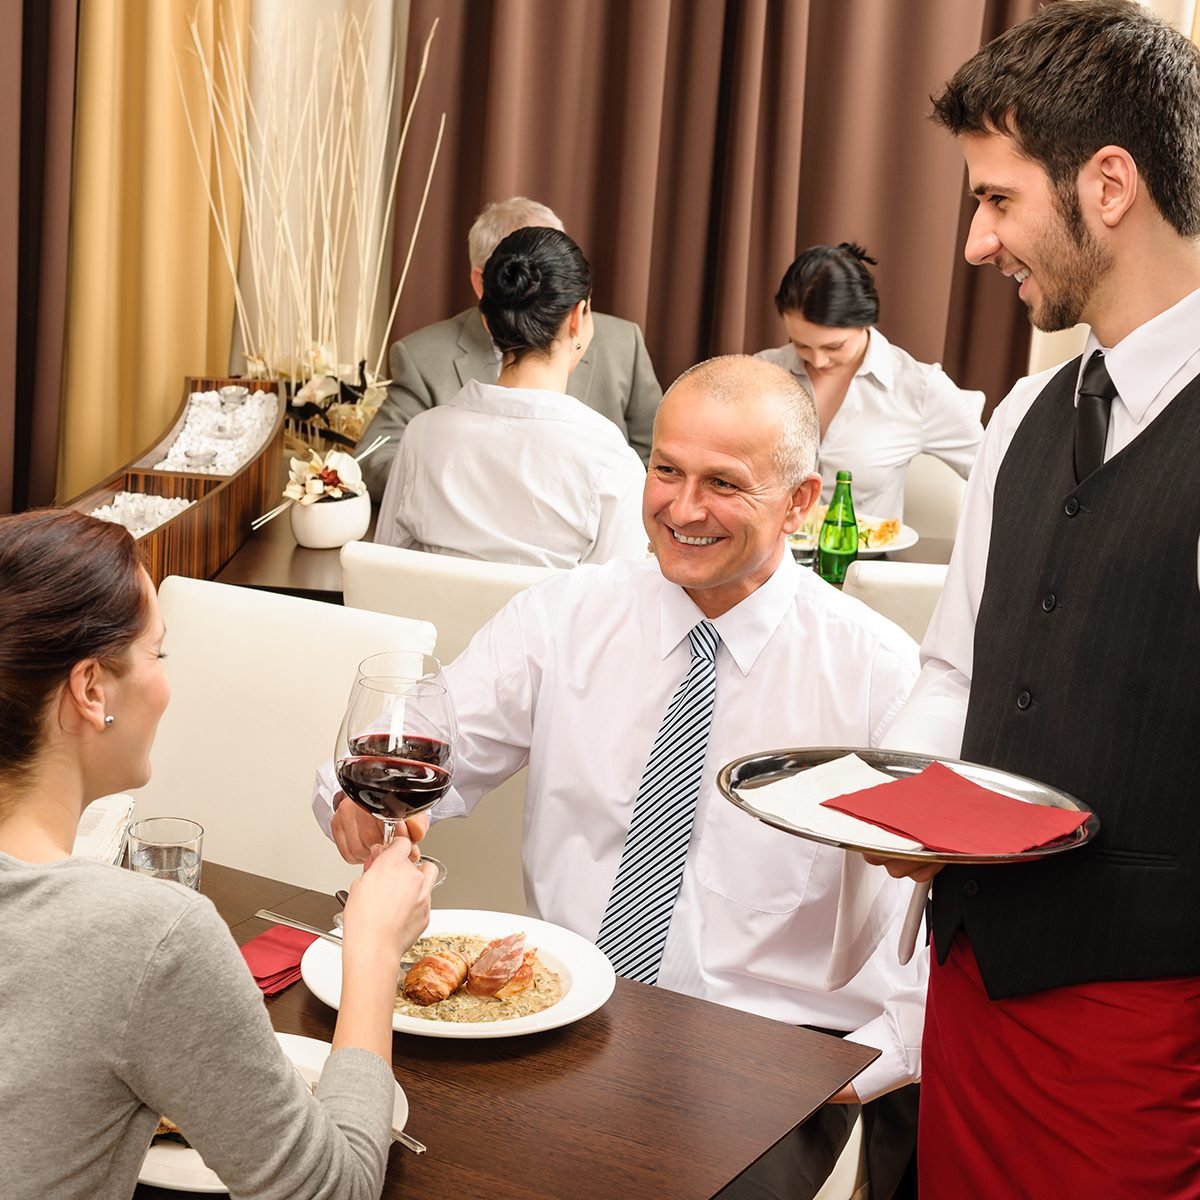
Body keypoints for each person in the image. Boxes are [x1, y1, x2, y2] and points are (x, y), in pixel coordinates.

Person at [318, 356, 928, 1199]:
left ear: (801, 503)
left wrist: (856, 1073)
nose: (681, 508)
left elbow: (932, 928)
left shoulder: (880, 678)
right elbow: (418, 736)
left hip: (763, 1056)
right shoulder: (565, 614)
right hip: (549, 1015)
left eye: (724, 483)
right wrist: (351, 797)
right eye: (666, 470)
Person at [874, 3, 1200, 1195]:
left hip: (1142, 1035)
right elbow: (956, 670)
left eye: (999, 199)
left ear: (1108, 184)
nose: (975, 240)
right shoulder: (1019, 419)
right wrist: (899, 815)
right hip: (970, 995)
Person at [0, 509, 436, 1200]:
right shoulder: (147, 935)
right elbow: (333, 1190)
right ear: (90, 690)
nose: (167, 682)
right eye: (157, 655)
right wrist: (374, 948)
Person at [375, 226, 647, 566]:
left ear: (487, 321)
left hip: (430, 620)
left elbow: (385, 569)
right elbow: (619, 603)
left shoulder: (422, 435)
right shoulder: (609, 459)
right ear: (578, 318)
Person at [358, 196, 661, 499]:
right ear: (483, 282)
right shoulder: (422, 358)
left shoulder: (623, 343)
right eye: (523, 277)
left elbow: (660, 460)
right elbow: (372, 461)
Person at [756, 242, 984, 518]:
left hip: (866, 559)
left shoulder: (920, 389)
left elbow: (994, 475)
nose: (817, 361)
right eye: (801, 345)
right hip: (769, 558)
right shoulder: (761, 373)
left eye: (834, 347)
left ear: (867, 322)